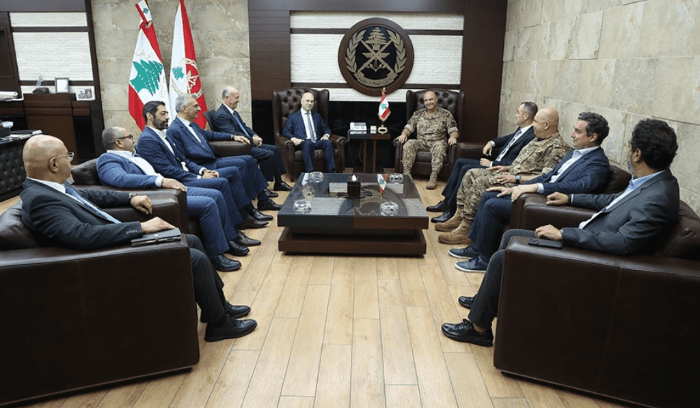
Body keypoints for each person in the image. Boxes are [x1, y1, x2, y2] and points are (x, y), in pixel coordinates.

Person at [442, 119, 680, 347]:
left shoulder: (657, 197)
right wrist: (571, 198)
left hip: (591, 259)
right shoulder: (653, 183)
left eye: (629, 146)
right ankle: (486, 301)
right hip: (588, 244)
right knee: (511, 235)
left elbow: (623, 242)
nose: (627, 150)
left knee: (501, 258)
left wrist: (564, 235)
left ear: (637, 154)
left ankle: (479, 329)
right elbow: (613, 201)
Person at [20, 135, 257, 342]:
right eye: (67, 156)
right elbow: (81, 236)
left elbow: (92, 196)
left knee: (191, 241)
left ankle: (218, 307)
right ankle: (219, 325)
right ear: (53, 164)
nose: (71, 161)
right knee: (195, 258)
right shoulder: (41, 200)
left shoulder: (54, 188)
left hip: (113, 243)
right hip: (108, 258)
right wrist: (140, 227)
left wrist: (130, 197)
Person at [451, 112, 611, 272]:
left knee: (493, 205)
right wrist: (515, 188)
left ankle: (485, 261)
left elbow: (580, 187)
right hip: (537, 195)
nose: (572, 134)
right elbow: (548, 176)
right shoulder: (574, 153)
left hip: (550, 204)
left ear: (593, 137)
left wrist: (536, 187)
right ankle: (477, 248)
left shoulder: (598, 162)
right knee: (489, 195)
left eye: (577, 131)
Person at [97, 126, 258, 271]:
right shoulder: (107, 160)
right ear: (118, 142)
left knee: (216, 194)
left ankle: (228, 240)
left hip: (166, 190)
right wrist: (160, 180)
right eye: (129, 137)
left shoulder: (134, 155)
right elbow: (120, 179)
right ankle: (215, 256)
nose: (133, 140)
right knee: (208, 203)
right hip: (157, 197)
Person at [436, 107, 567, 245]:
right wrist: (507, 167)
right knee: (471, 173)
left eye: (535, 121)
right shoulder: (538, 138)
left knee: (481, 182)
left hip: (520, 183)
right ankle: (459, 216)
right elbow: (526, 164)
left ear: (546, 125)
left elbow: (545, 178)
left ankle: (466, 229)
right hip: (510, 173)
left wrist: (516, 178)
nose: (532, 124)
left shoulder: (556, 148)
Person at [136, 100, 272, 230]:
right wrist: (199, 176)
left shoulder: (164, 133)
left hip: (200, 167)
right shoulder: (152, 138)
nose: (167, 117)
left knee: (245, 162)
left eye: (167, 113)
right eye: (163, 113)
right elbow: (168, 169)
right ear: (149, 116)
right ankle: (242, 220)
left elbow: (183, 158)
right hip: (184, 177)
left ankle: (251, 210)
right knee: (226, 178)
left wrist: (202, 170)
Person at [166, 94, 282, 212]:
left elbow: (210, 134)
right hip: (203, 165)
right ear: (184, 109)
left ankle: (263, 200)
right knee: (241, 164)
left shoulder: (192, 124)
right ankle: (249, 210)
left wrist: (232, 136)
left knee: (248, 159)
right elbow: (182, 159)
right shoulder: (174, 130)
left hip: (213, 159)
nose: (199, 109)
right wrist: (201, 171)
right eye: (195, 106)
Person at [427, 102, 537, 223]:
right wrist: (491, 142)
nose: (516, 115)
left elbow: (518, 162)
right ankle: (446, 202)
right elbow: (508, 138)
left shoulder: (531, 136)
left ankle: (451, 210)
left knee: (465, 168)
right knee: (460, 162)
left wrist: (492, 164)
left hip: (500, 168)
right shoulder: (522, 129)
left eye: (518, 112)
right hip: (495, 162)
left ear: (526, 116)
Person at [213, 86, 291, 193]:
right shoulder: (221, 115)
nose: (238, 100)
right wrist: (251, 140)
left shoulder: (232, 112)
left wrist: (254, 136)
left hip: (247, 143)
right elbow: (234, 134)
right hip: (238, 148)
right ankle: (263, 187)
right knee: (269, 154)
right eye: (236, 97)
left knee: (275, 149)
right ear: (227, 98)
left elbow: (244, 127)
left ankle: (279, 183)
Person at [396, 91, 459, 190]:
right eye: (426, 100)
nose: (428, 102)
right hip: (421, 142)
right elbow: (408, 128)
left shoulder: (446, 114)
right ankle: (406, 175)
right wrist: (404, 134)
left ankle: (433, 177)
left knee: (440, 147)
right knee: (409, 143)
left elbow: (454, 130)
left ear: (436, 100)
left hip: (437, 142)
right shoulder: (418, 114)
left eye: (431, 99)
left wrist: (453, 137)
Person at [281, 92, 335, 173]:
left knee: (328, 142)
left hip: (316, 141)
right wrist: (293, 139)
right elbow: (286, 131)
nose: (309, 103)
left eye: (312, 101)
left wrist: (326, 135)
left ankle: (331, 173)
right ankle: (310, 173)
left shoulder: (317, 116)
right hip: (303, 142)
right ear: (302, 101)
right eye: (307, 101)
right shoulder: (293, 116)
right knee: (308, 144)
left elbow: (326, 128)